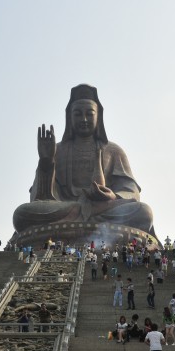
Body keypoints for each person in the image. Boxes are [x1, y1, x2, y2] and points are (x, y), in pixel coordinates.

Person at [12, 84, 156, 237]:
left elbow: (131, 191)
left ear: (98, 116)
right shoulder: (58, 151)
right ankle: (80, 217)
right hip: (66, 208)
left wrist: (113, 196)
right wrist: (46, 161)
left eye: (89, 113)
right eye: (78, 114)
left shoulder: (114, 150)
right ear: (70, 117)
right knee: (21, 214)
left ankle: (75, 221)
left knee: (144, 212)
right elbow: (39, 197)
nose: (84, 119)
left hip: (103, 208)